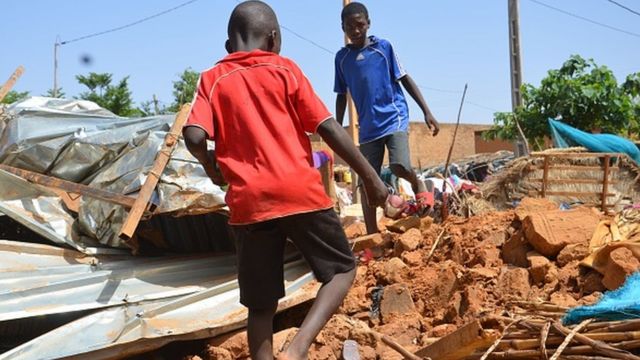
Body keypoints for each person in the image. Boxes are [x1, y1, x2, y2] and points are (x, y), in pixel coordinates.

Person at [182, 2, 388, 359]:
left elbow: (195, 136)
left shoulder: (212, 79)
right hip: (300, 193)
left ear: (229, 46)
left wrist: (210, 164)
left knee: (261, 306)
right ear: (274, 39)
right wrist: (370, 177)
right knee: (341, 269)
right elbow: (328, 127)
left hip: (250, 205)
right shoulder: (286, 70)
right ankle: (297, 348)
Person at [334, 2, 440, 234]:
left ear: (368, 24)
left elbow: (404, 78)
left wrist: (427, 111)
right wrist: (338, 126)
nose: (355, 30)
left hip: (394, 117)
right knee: (366, 183)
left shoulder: (383, 48)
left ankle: (417, 183)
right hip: (368, 128)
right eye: (349, 26)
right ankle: (372, 235)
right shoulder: (342, 59)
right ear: (343, 28)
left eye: (360, 25)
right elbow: (341, 95)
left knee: (399, 166)